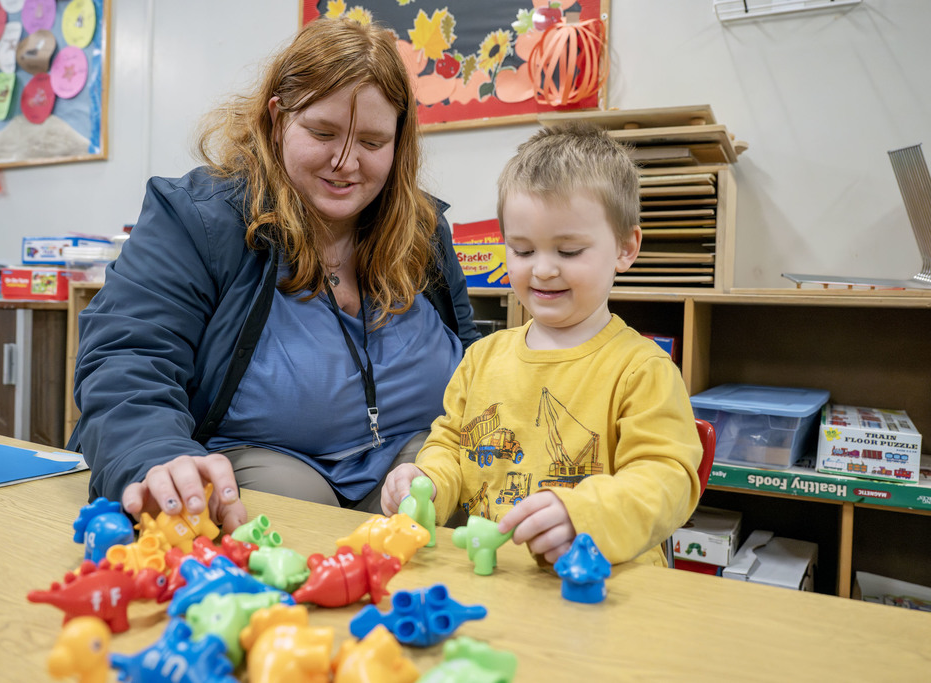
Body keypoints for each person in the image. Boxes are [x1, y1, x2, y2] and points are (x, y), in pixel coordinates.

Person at [69, 18, 479, 534]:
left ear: (400, 142)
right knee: (288, 508)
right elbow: (127, 358)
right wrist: (154, 454)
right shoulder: (199, 219)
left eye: (373, 142)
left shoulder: (423, 229)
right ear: (278, 118)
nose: (345, 162)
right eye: (322, 133)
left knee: (450, 478)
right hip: (265, 470)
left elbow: (477, 369)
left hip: (408, 467)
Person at [381, 122, 702, 566]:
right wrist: (427, 484)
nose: (543, 270)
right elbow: (451, 445)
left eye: (568, 251)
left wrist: (586, 515)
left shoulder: (643, 369)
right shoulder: (481, 359)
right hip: (495, 574)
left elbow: (668, 480)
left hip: (602, 583)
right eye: (523, 250)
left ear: (626, 248)